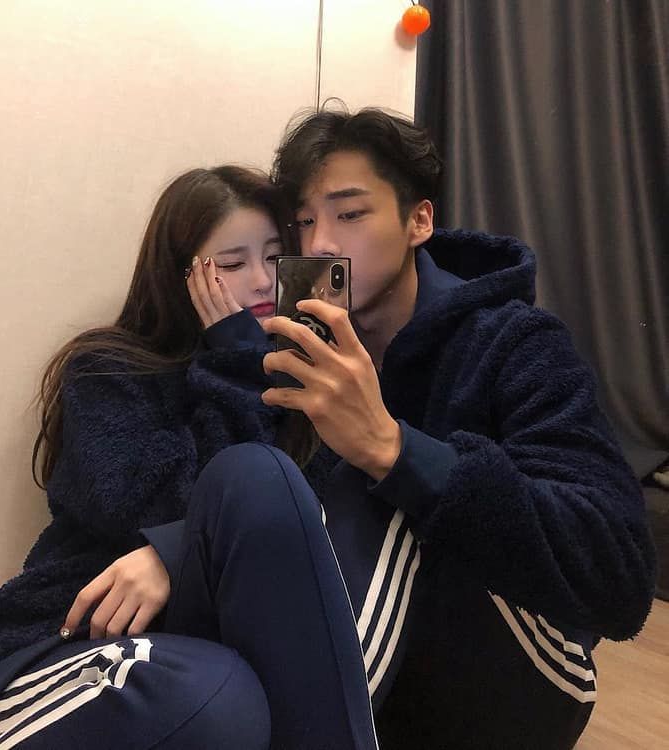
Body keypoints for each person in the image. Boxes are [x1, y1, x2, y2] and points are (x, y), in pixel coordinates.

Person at [0, 166, 380, 750]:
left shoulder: (306, 390)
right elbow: (142, 502)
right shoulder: (108, 370)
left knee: (233, 688)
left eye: (275, 257)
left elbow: (295, 539)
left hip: (214, 646)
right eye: (232, 264)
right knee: (217, 695)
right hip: (80, 632)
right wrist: (235, 364)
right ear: (181, 276)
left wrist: (174, 553)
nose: (262, 280)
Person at [252, 107, 656, 749]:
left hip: (526, 662)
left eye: (349, 214)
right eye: (303, 222)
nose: (320, 243)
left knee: (368, 495)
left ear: (419, 221)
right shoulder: (305, 344)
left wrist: (394, 451)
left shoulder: (514, 340)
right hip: (384, 673)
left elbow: (619, 572)